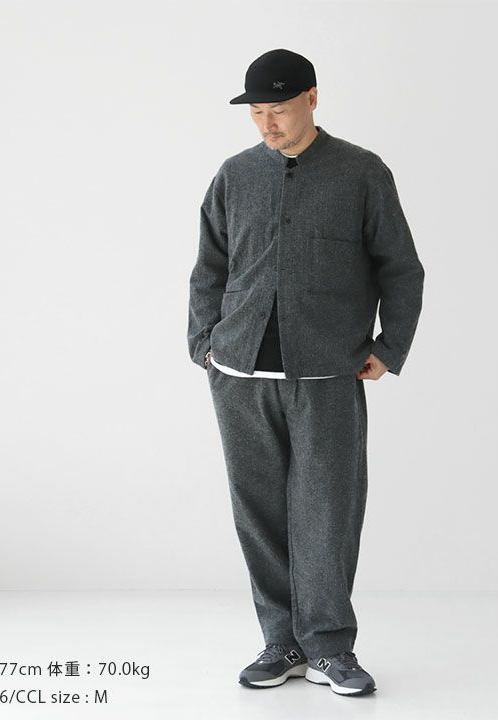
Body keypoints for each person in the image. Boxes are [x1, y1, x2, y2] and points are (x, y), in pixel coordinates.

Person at [187, 48, 425, 697]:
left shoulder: (360, 172)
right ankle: (281, 642)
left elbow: (401, 268)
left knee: (327, 512)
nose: (268, 124)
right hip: (239, 374)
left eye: (279, 110)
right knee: (259, 514)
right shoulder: (235, 175)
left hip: (326, 374)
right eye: (257, 113)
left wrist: (390, 346)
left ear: (312, 99)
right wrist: (204, 344)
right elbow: (209, 267)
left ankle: (329, 647)